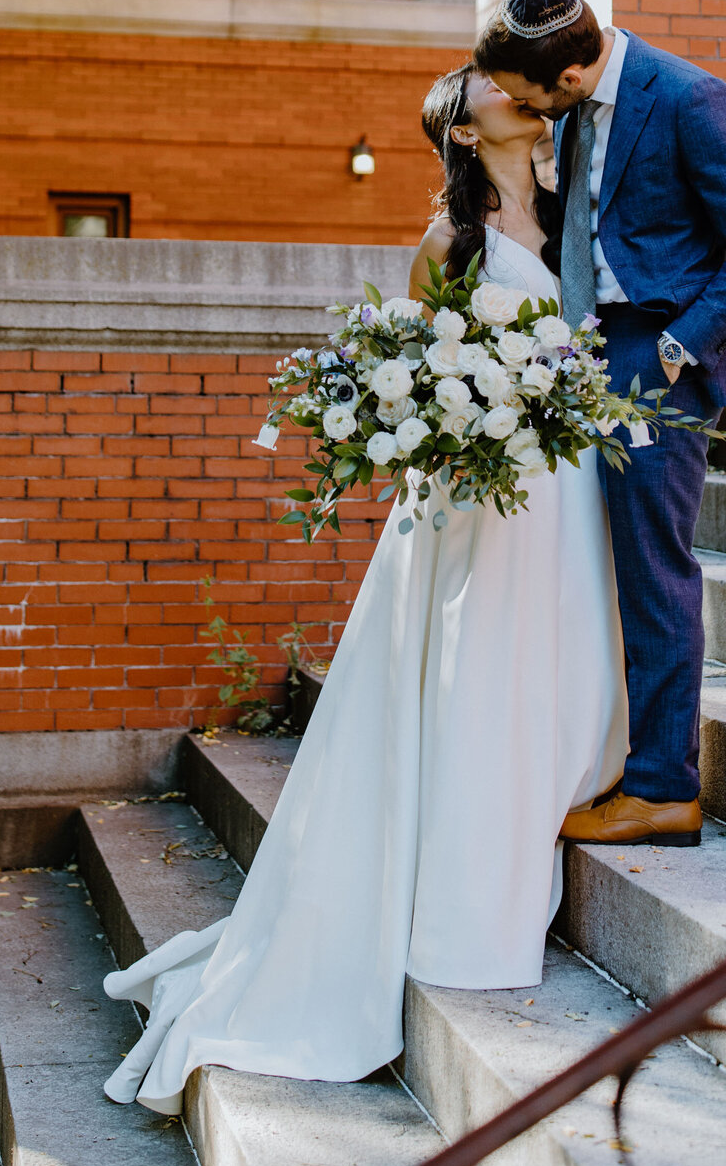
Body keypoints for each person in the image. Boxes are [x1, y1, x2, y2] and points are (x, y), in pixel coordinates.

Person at [101, 65, 628, 1109]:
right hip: (483, 495)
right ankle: (468, 885)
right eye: (492, 88)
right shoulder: (450, 244)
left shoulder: (577, 211)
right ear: (464, 130)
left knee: (563, 654)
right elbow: (419, 367)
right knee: (479, 678)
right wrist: (466, 417)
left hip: (567, 482)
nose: (518, 92)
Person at [475, 0, 726, 848]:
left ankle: (662, 789)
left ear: (571, 78)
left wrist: (675, 351)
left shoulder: (692, 98)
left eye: (526, 95)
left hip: (658, 366)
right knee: (591, 567)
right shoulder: (572, 113)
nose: (517, 106)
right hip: (588, 358)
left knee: (654, 573)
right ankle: (614, 756)